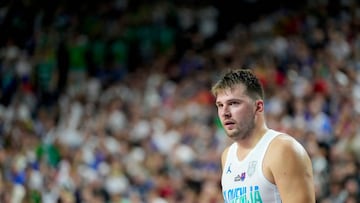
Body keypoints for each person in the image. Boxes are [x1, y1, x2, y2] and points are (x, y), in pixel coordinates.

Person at [211, 68, 315, 203]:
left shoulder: (283, 149)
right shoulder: (227, 156)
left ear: (258, 107)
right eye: (220, 105)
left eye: (233, 103)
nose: (225, 112)